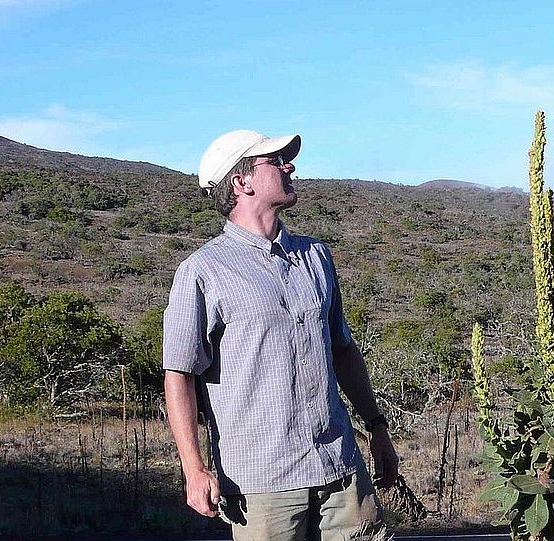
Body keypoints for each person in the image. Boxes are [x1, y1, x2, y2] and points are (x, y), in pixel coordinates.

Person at [162, 129, 398, 541]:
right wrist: (193, 467)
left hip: (340, 466)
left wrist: (376, 427)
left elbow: (343, 351)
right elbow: (179, 373)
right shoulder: (202, 271)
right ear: (242, 182)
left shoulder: (315, 256)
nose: (290, 166)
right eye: (275, 160)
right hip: (262, 481)